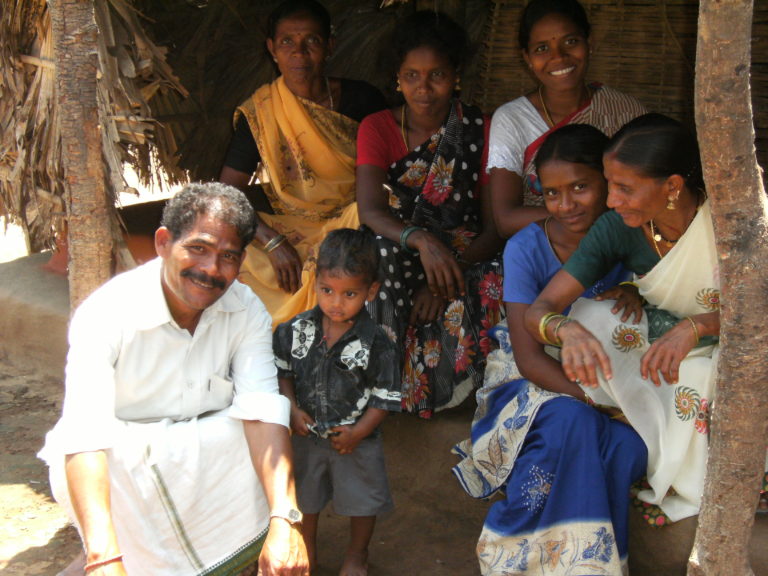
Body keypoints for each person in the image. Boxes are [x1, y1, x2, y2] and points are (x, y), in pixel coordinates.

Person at [39, 183, 309, 576]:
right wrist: (104, 558)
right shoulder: (106, 314)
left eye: (228, 257)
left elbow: (263, 407)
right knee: (105, 471)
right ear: (163, 242)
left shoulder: (246, 307)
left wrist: (286, 520)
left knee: (251, 434)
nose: (211, 270)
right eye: (198, 248)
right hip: (122, 467)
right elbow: (84, 434)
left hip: (202, 456)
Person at [453, 124, 647, 575]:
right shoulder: (526, 246)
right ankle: (518, 556)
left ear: (608, 181)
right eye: (552, 193)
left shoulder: (634, 237)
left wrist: (637, 293)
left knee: (625, 449)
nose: (565, 204)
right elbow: (528, 359)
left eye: (580, 187)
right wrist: (595, 402)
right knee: (572, 420)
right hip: (527, 381)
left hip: (611, 380)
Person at [526, 113, 721, 525]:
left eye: (625, 188)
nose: (611, 200)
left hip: (737, 342)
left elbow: (759, 311)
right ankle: (647, 419)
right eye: (609, 185)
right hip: (667, 337)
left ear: (672, 187)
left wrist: (697, 327)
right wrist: (567, 329)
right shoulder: (618, 227)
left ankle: (680, 459)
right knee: (594, 315)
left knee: (697, 377)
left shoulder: (731, 220)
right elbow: (540, 309)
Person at [356, 10, 505, 418]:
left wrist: (443, 279)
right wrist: (421, 241)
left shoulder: (483, 127)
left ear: (455, 75)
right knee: (377, 253)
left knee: (497, 274)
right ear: (397, 77)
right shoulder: (377, 127)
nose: (423, 89)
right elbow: (370, 209)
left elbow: (495, 227)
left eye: (436, 75)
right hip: (404, 241)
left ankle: (459, 390)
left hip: (465, 249)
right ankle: (383, 385)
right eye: (411, 76)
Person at [220, 0, 388, 327]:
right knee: (229, 247)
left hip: (354, 220)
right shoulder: (262, 112)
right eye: (287, 42)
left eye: (311, 41)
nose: (299, 52)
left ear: (329, 46)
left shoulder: (362, 100)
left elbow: (390, 173)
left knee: (364, 222)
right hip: (295, 229)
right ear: (272, 49)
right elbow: (227, 194)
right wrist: (272, 241)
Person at [273, 228, 401, 576]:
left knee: (362, 501)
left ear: (370, 291)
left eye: (350, 294)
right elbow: (283, 372)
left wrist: (359, 432)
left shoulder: (379, 342)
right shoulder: (294, 330)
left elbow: (384, 397)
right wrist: (292, 408)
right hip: (306, 436)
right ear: (315, 283)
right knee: (305, 500)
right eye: (327, 290)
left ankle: (357, 554)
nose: (335, 302)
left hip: (357, 440)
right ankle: (306, 550)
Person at [488, 0, 647, 238]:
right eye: (542, 48)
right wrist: (580, 216)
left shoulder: (624, 110)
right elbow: (506, 219)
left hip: (618, 247)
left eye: (570, 42)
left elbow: (648, 192)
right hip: (541, 251)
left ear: (589, 43)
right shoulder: (512, 120)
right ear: (527, 58)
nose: (558, 57)